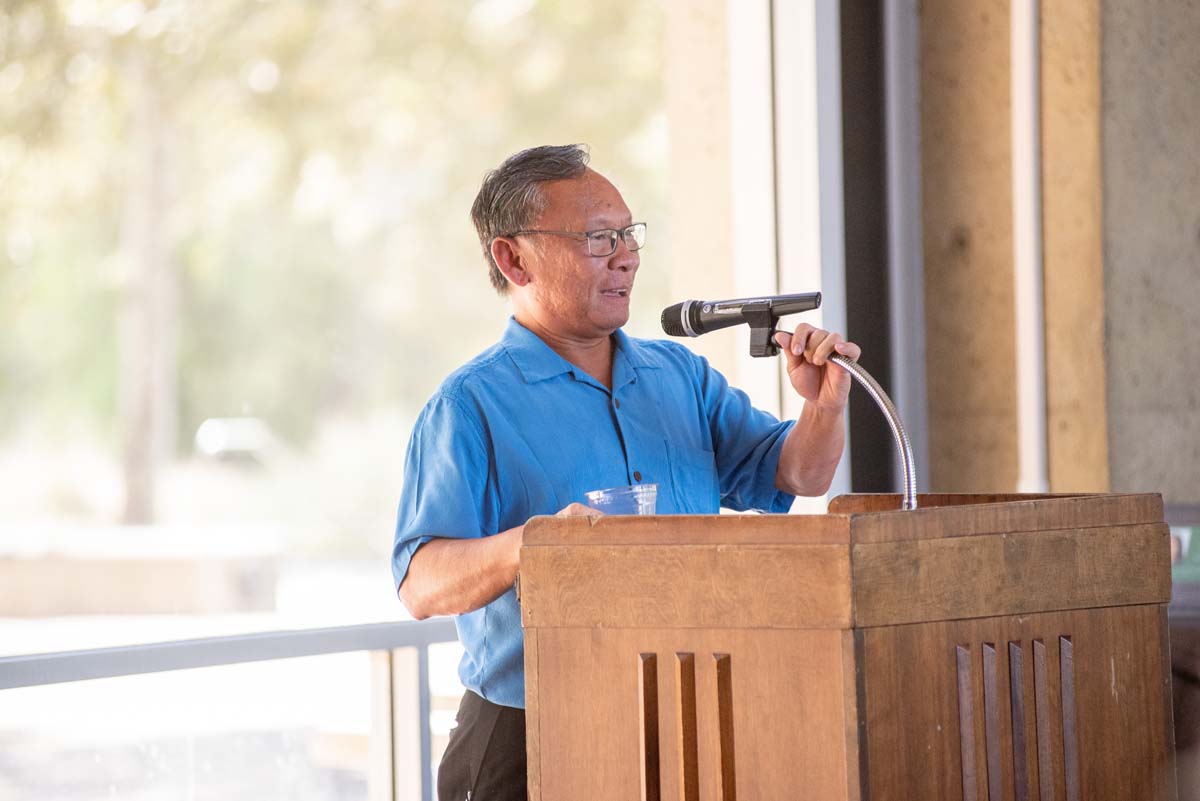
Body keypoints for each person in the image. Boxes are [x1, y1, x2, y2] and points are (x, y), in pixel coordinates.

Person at [392, 144, 861, 801]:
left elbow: (797, 474)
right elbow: (420, 585)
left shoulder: (680, 375)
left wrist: (823, 405)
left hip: (687, 715)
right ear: (513, 257)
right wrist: (539, 544)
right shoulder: (470, 404)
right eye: (597, 237)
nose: (626, 255)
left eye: (628, 233)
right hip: (530, 736)